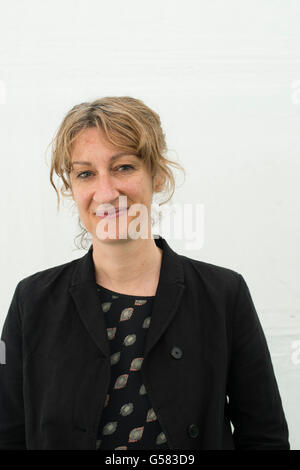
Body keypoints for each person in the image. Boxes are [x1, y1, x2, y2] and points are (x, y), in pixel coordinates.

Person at [0, 96, 290, 450]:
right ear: (71, 187)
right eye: (86, 173)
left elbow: (264, 437)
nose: (106, 192)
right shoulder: (30, 301)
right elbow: (8, 434)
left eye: (123, 167)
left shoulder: (224, 294)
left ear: (158, 174)